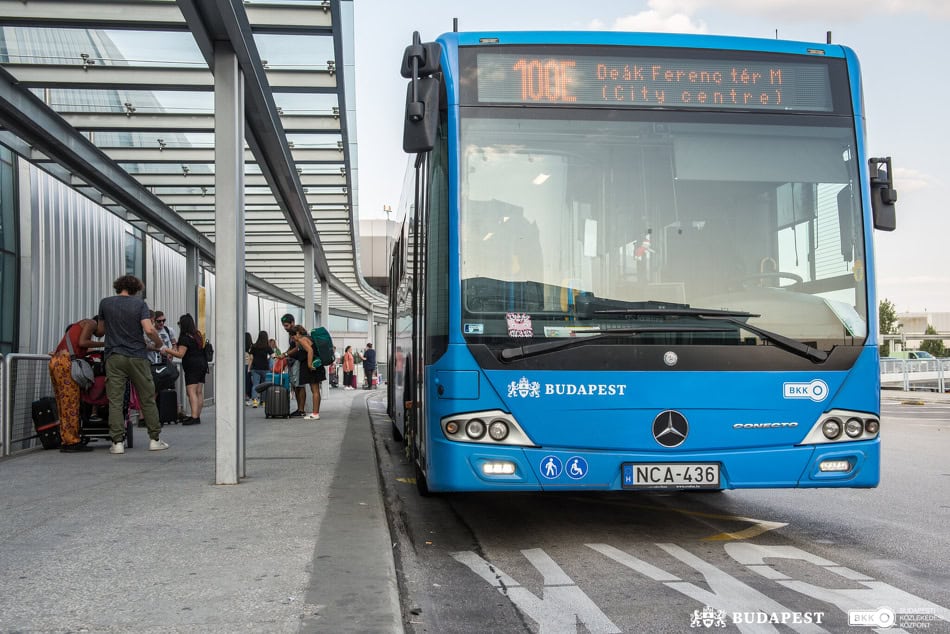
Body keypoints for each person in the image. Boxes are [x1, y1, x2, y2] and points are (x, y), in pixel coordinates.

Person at [96, 275, 168, 453]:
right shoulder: (140, 304)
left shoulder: (105, 303)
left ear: (118, 286)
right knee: (147, 398)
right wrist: (159, 344)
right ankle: (154, 439)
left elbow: (100, 331)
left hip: (114, 356)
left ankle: (117, 443)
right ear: (136, 289)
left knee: (116, 400)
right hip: (137, 356)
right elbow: (149, 329)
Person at [48, 316, 104, 452]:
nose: (103, 334)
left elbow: (80, 345)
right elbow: (83, 342)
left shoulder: (79, 326)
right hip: (66, 363)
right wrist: (105, 344)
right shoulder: (91, 323)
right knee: (71, 403)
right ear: (102, 323)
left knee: (63, 404)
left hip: (58, 362)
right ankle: (72, 442)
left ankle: (66, 439)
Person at [163, 313, 208, 425]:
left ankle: (194, 417)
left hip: (192, 366)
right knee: (198, 392)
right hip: (202, 364)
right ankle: (197, 415)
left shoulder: (184, 338)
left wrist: (166, 350)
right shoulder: (197, 335)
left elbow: (180, 354)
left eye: (179, 323)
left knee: (191, 391)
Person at [291, 325, 324, 420]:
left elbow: (310, 351)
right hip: (317, 365)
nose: (293, 338)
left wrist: (309, 365)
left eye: (293, 335)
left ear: (298, 333)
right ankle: (315, 412)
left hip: (313, 367)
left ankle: (315, 414)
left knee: (315, 390)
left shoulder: (302, 340)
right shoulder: (308, 338)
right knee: (316, 390)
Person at [280, 314, 306, 418]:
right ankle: (299, 409)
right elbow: (292, 347)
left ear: (292, 323)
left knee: (300, 385)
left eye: (286, 325)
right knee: (295, 385)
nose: (285, 328)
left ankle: (301, 409)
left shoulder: (297, 332)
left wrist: (285, 354)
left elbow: (298, 347)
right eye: (283, 326)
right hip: (293, 361)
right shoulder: (290, 334)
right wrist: (284, 354)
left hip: (299, 361)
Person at [248, 330, 271, 406]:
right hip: (265, 368)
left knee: (255, 384)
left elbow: (251, 358)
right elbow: (273, 356)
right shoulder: (267, 347)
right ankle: (263, 401)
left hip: (255, 368)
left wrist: (249, 368)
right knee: (264, 385)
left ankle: (255, 401)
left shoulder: (254, 346)